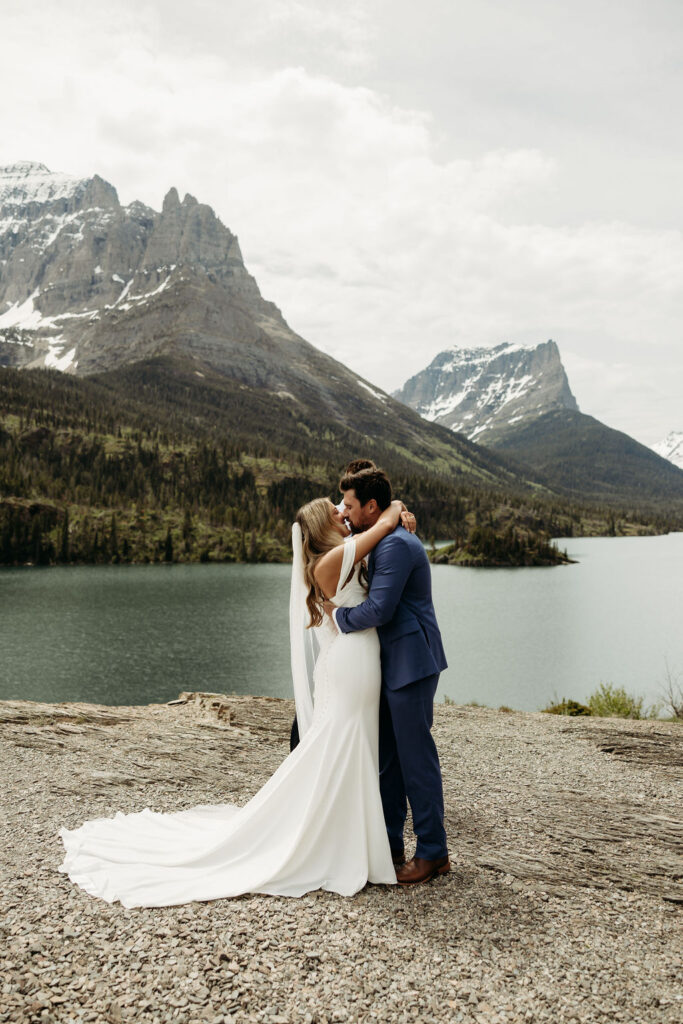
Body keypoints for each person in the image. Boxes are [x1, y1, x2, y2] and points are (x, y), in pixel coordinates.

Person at [58, 496, 406, 906]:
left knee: (350, 742)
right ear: (320, 526)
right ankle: (335, 839)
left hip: (356, 660)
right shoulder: (329, 563)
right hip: (350, 664)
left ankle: (350, 837)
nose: (343, 514)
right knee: (344, 741)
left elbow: (372, 538)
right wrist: (397, 507)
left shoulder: (340, 554)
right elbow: (381, 528)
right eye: (336, 510)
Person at [327, 466, 450, 885]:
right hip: (389, 662)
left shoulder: (395, 545)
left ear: (372, 507)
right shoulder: (379, 534)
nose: (344, 511)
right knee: (389, 760)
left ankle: (434, 852)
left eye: (349, 504)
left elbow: (379, 610)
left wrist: (336, 617)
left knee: (415, 759)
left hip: (411, 661)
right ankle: (390, 845)